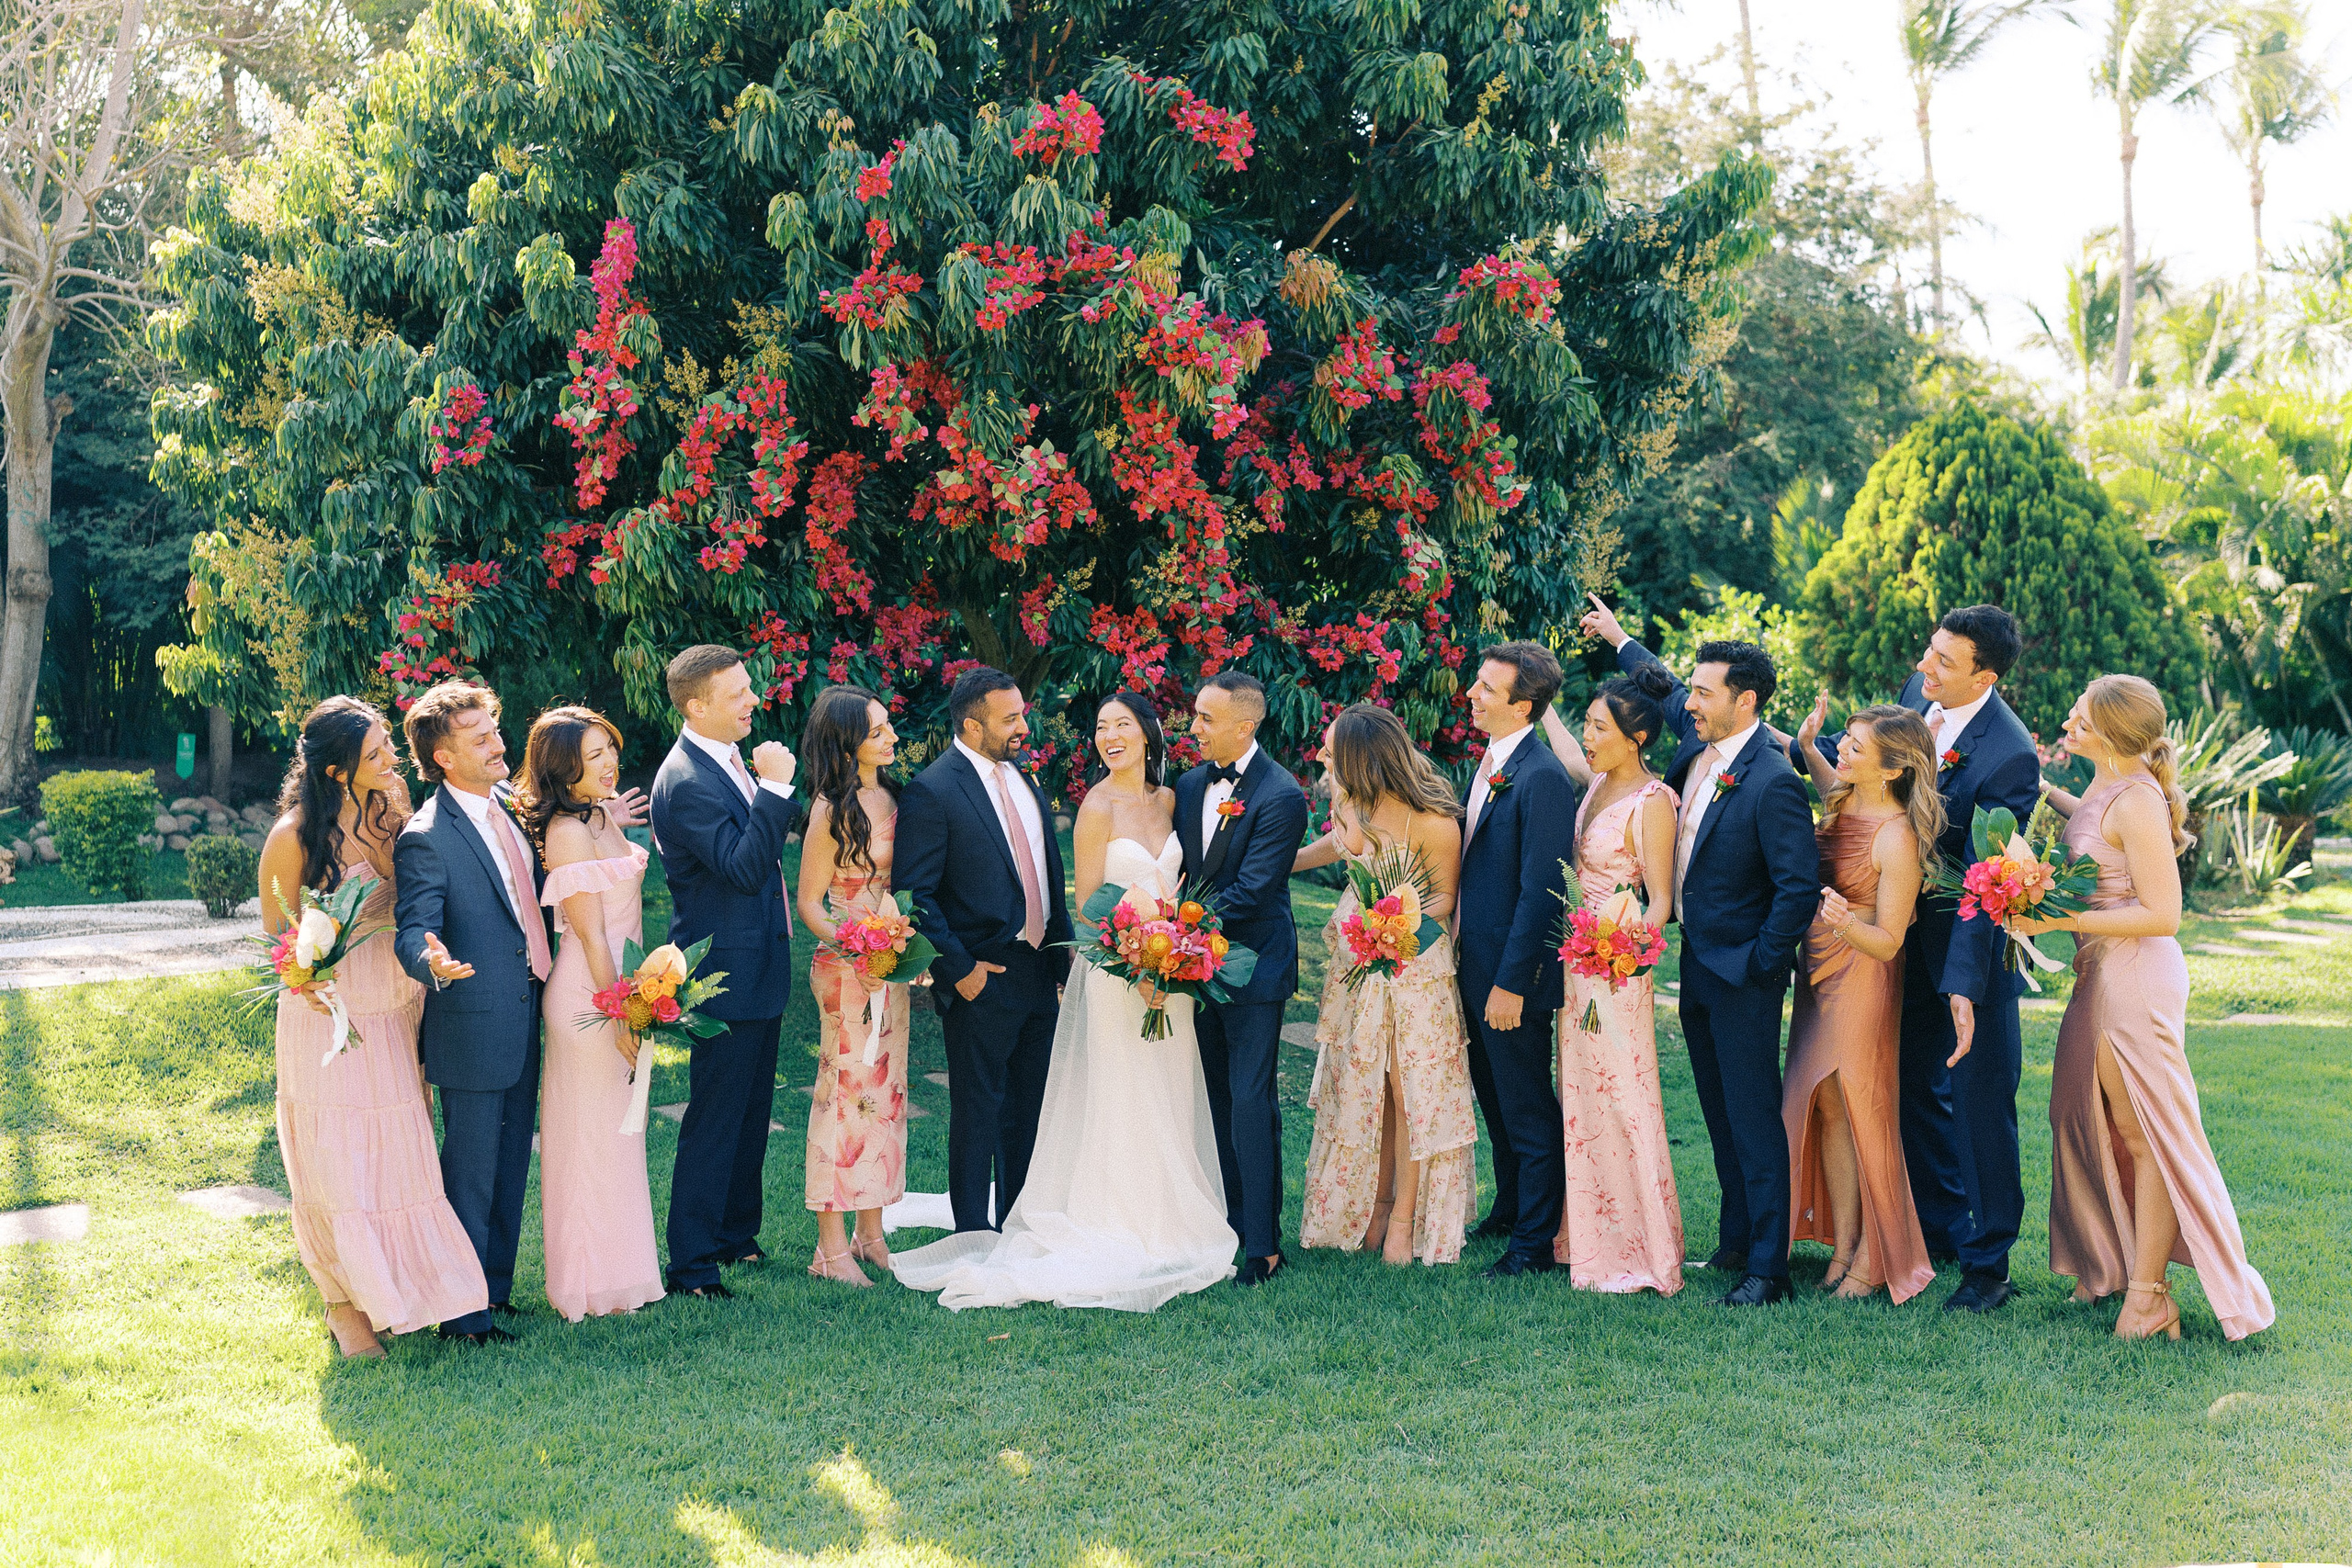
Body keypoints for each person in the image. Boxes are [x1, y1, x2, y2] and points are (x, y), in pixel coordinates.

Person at [893, 693, 1238, 1309]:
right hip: (1116, 970)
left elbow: (1177, 884)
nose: (1109, 735)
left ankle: (1163, 1213)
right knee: (1103, 1092)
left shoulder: (1170, 799)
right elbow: (1084, 902)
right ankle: (1002, 1225)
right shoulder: (1093, 805)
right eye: (1101, 725)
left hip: (1169, 976)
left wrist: (1178, 951)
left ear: (1149, 733)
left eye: (1122, 724)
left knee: (1163, 1089)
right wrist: (1136, 954)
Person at [1798, 604, 2041, 1314]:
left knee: (1977, 1101)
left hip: (1968, 950)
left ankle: (1988, 1263)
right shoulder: (1915, 698)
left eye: (1944, 662)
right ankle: (1934, 1229)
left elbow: (1984, 877)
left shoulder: (2009, 753)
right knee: (1911, 1092)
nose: (1925, 668)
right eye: (1928, 652)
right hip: (1891, 949)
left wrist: (1963, 985)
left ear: (1985, 676)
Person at [1585, 595, 1821, 1306]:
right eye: (1692, 687)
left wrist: (1759, 964)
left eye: (1704, 691)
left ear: (1745, 701)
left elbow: (1797, 888)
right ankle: (1737, 1238)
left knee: (1752, 1117)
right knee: (1719, 1112)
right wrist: (1623, 640)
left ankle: (1769, 1269)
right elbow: (1658, 685)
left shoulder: (1775, 780)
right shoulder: (1699, 752)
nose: (1689, 700)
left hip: (1742, 974)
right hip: (1696, 965)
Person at [2028, 676, 2273, 1341]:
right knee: (2094, 1122)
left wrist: (2056, 920)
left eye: (2080, 717)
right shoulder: (2110, 787)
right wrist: (2038, 788)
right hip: (2101, 973)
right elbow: (2090, 824)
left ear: (2110, 733)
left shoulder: (2135, 800)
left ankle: (2147, 1295)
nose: (2069, 721)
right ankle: (2110, 1264)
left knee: (2145, 1136)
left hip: (2132, 980)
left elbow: (2164, 914)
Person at [264, 696, 486, 1358]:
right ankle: (343, 1304)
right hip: (330, 1016)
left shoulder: (392, 815)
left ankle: (393, 1292)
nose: (392, 757)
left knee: (398, 1154)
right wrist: (306, 980)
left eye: (387, 743)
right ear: (336, 772)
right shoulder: (294, 835)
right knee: (337, 1160)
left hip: (394, 1005)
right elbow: (277, 935)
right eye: (376, 752)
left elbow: (417, 891)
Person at [392, 681, 550, 1344]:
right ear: (444, 756)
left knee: (512, 1158)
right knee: (471, 1169)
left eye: (495, 730)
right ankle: (462, 1314)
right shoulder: (426, 836)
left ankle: (494, 1289)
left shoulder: (507, 807)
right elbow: (412, 928)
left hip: (523, 1011)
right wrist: (431, 964)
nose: (499, 744)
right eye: (480, 737)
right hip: (472, 1020)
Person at [1295, 704, 1477, 1267]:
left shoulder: (1432, 818)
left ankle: (1404, 1220)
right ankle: (1372, 1205)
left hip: (1415, 966)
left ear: (1360, 756)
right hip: (1359, 964)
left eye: (1330, 748)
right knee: (1366, 1085)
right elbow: (1341, 846)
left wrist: (1395, 927)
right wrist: (1282, 863)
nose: (1321, 755)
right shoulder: (1350, 801)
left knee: (1410, 1092)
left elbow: (1446, 899)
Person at [895, 667, 1072, 1233]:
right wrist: (961, 970)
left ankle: (1017, 1223)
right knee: (979, 1111)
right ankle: (972, 1230)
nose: (1024, 726)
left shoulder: (1023, 780)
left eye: (1022, 713)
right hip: (982, 974)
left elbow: (1047, 873)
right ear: (972, 725)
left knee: (1029, 1109)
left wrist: (1063, 962)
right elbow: (915, 895)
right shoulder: (933, 789)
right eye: (1010, 718)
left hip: (1038, 969)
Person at [649, 645, 802, 1301]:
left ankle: (737, 1235)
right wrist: (774, 787)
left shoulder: (727, 759)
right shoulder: (684, 780)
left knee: (751, 1112)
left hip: (757, 965)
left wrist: (767, 787)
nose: (751, 701)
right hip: (721, 975)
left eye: (748, 688)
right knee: (715, 1118)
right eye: (736, 694)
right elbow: (742, 866)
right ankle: (692, 1265)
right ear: (696, 705)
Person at [1782, 700, 1943, 1304]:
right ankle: (1843, 1244)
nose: (1840, 754)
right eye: (1842, 743)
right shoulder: (1847, 800)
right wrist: (1808, 741)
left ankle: (1875, 1257)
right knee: (1822, 1102)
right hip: (1817, 973)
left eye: (1855, 747)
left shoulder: (1898, 837)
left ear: (1891, 769)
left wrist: (1847, 923)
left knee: (1857, 1106)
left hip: (1864, 973)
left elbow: (1891, 939)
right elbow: (1824, 773)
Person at [1535, 665, 1685, 1293]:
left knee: (1623, 1098)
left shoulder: (1653, 802)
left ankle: (1640, 1245)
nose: (1588, 735)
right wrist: (1540, 703)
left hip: (1617, 972)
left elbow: (1660, 901)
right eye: (1589, 724)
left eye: (1601, 726)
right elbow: (1566, 748)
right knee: (1581, 1098)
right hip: (1577, 962)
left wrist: (1620, 955)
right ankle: (1586, 1233)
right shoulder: (1595, 781)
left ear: (1638, 736)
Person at [514, 705, 665, 1322]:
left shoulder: (599, 815)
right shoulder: (567, 831)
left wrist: (612, 815)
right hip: (589, 994)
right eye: (594, 755)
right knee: (585, 1138)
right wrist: (625, 1012)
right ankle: (582, 1286)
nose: (610, 762)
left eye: (610, 749)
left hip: (621, 987)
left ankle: (623, 1278)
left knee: (620, 1138)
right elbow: (593, 935)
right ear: (562, 766)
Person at [1177, 671, 1312, 1287]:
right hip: (1190, 967)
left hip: (1254, 967)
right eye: (1196, 715)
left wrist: (1180, 926)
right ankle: (1224, 1222)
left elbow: (1255, 889)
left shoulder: (1281, 795)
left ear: (1244, 724)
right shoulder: (1186, 786)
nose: (1194, 727)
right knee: (1215, 1099)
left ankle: (1262, 1244)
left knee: (1252, 1102)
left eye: (1206, 718)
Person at [1454, 641, 1580, 1278]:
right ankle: (1509, 1207)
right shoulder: (1491, 763)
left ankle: (1533, 1242)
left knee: (1527, 1105)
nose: (1472, 694)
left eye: (1486, 687)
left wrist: (1513, 984)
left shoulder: (1543, 776)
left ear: (1523, 706)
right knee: (1496, 1099)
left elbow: (1544, 891)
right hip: (1473, 965)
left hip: (1512, 976)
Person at [796, 684, 910, 1287]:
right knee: (842, 1101)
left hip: (890, 970)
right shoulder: (829, 809)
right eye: (878, 729)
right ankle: (831, 1248)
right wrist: (859, 944)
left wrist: (896, 946)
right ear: (849, 742)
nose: (891, 735)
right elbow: (810, 903)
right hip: (846, 973)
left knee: (883, 1099)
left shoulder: (891, 795)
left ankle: (871, 1232)